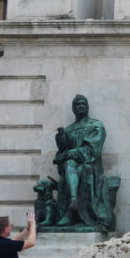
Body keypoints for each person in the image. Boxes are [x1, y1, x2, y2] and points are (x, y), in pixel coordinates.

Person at [53, 94, 115, 230]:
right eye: (77, 104)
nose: (81, 106)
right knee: (69, 165)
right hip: (71, 167)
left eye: (83, 104)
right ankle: (73, 203)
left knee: (80, 169)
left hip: (91, 165)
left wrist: (67, 154)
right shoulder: (69, 129)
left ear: (87, 107)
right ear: (73, 109)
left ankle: (72, 211)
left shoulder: (96, 125)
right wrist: (61, 138)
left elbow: (91, 150)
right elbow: (63, 151)